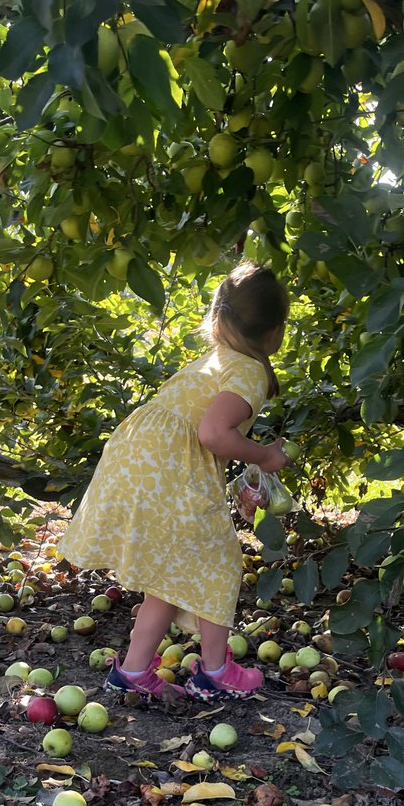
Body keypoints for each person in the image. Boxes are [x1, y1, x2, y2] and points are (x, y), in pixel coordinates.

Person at [56, 261, 291, 702]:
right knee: (221, 562)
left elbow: (206, 427)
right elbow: (213, 434)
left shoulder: (214, 360)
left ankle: (131, 672)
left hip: (138, 458)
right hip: (168, 468)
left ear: (218, 318)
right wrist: (266, 456)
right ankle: (217, 671)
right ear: (276, 332)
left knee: (170, 572)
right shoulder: (249, 370)